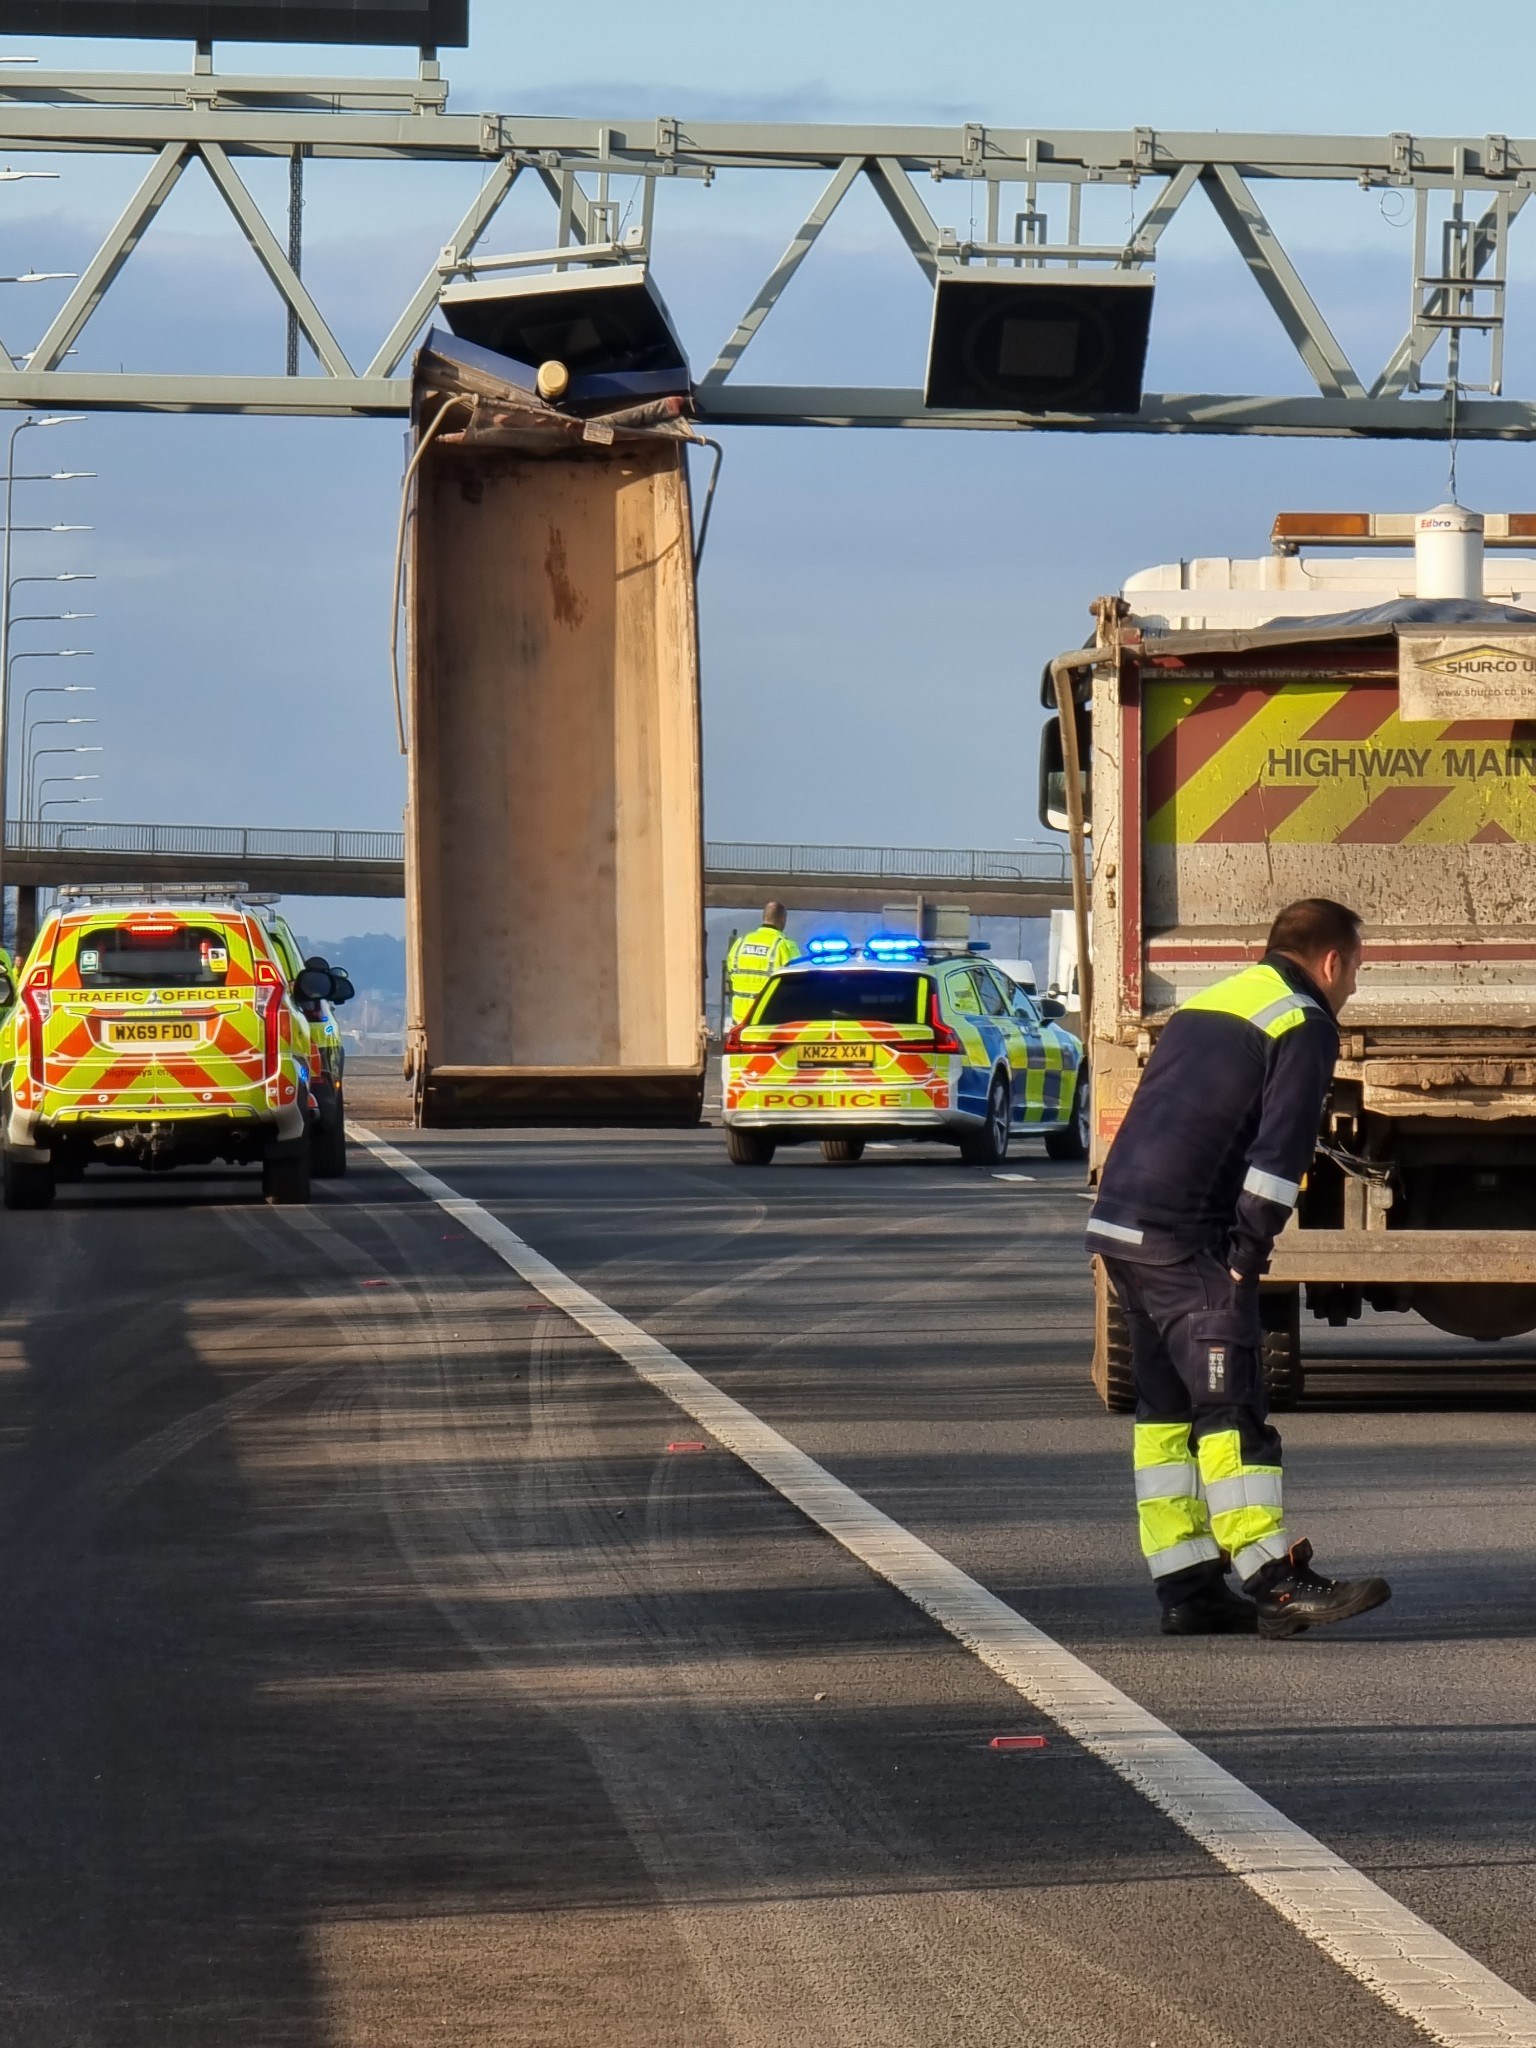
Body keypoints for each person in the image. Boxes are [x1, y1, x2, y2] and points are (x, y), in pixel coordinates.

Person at [1086, 897, 1391, 1640]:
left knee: (1165, 1416)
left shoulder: (1214, 1001)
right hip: (1188, 1237)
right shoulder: (1304, 1020)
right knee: (1231, 1409)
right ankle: (1272, 1581)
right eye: (1355, 968)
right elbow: (1279, 1157)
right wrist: (1244, 1260)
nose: (1352, 984)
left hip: (1122, 1224)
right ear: (1330, 961)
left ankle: (1187, 1586)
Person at [724, 902, 800, 1023]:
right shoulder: (785, 945)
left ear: (764, 917)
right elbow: (798, 980)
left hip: (740, 1018)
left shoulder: (741, 942)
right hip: (769, 1018)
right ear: (783, 919)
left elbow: (730, 971)